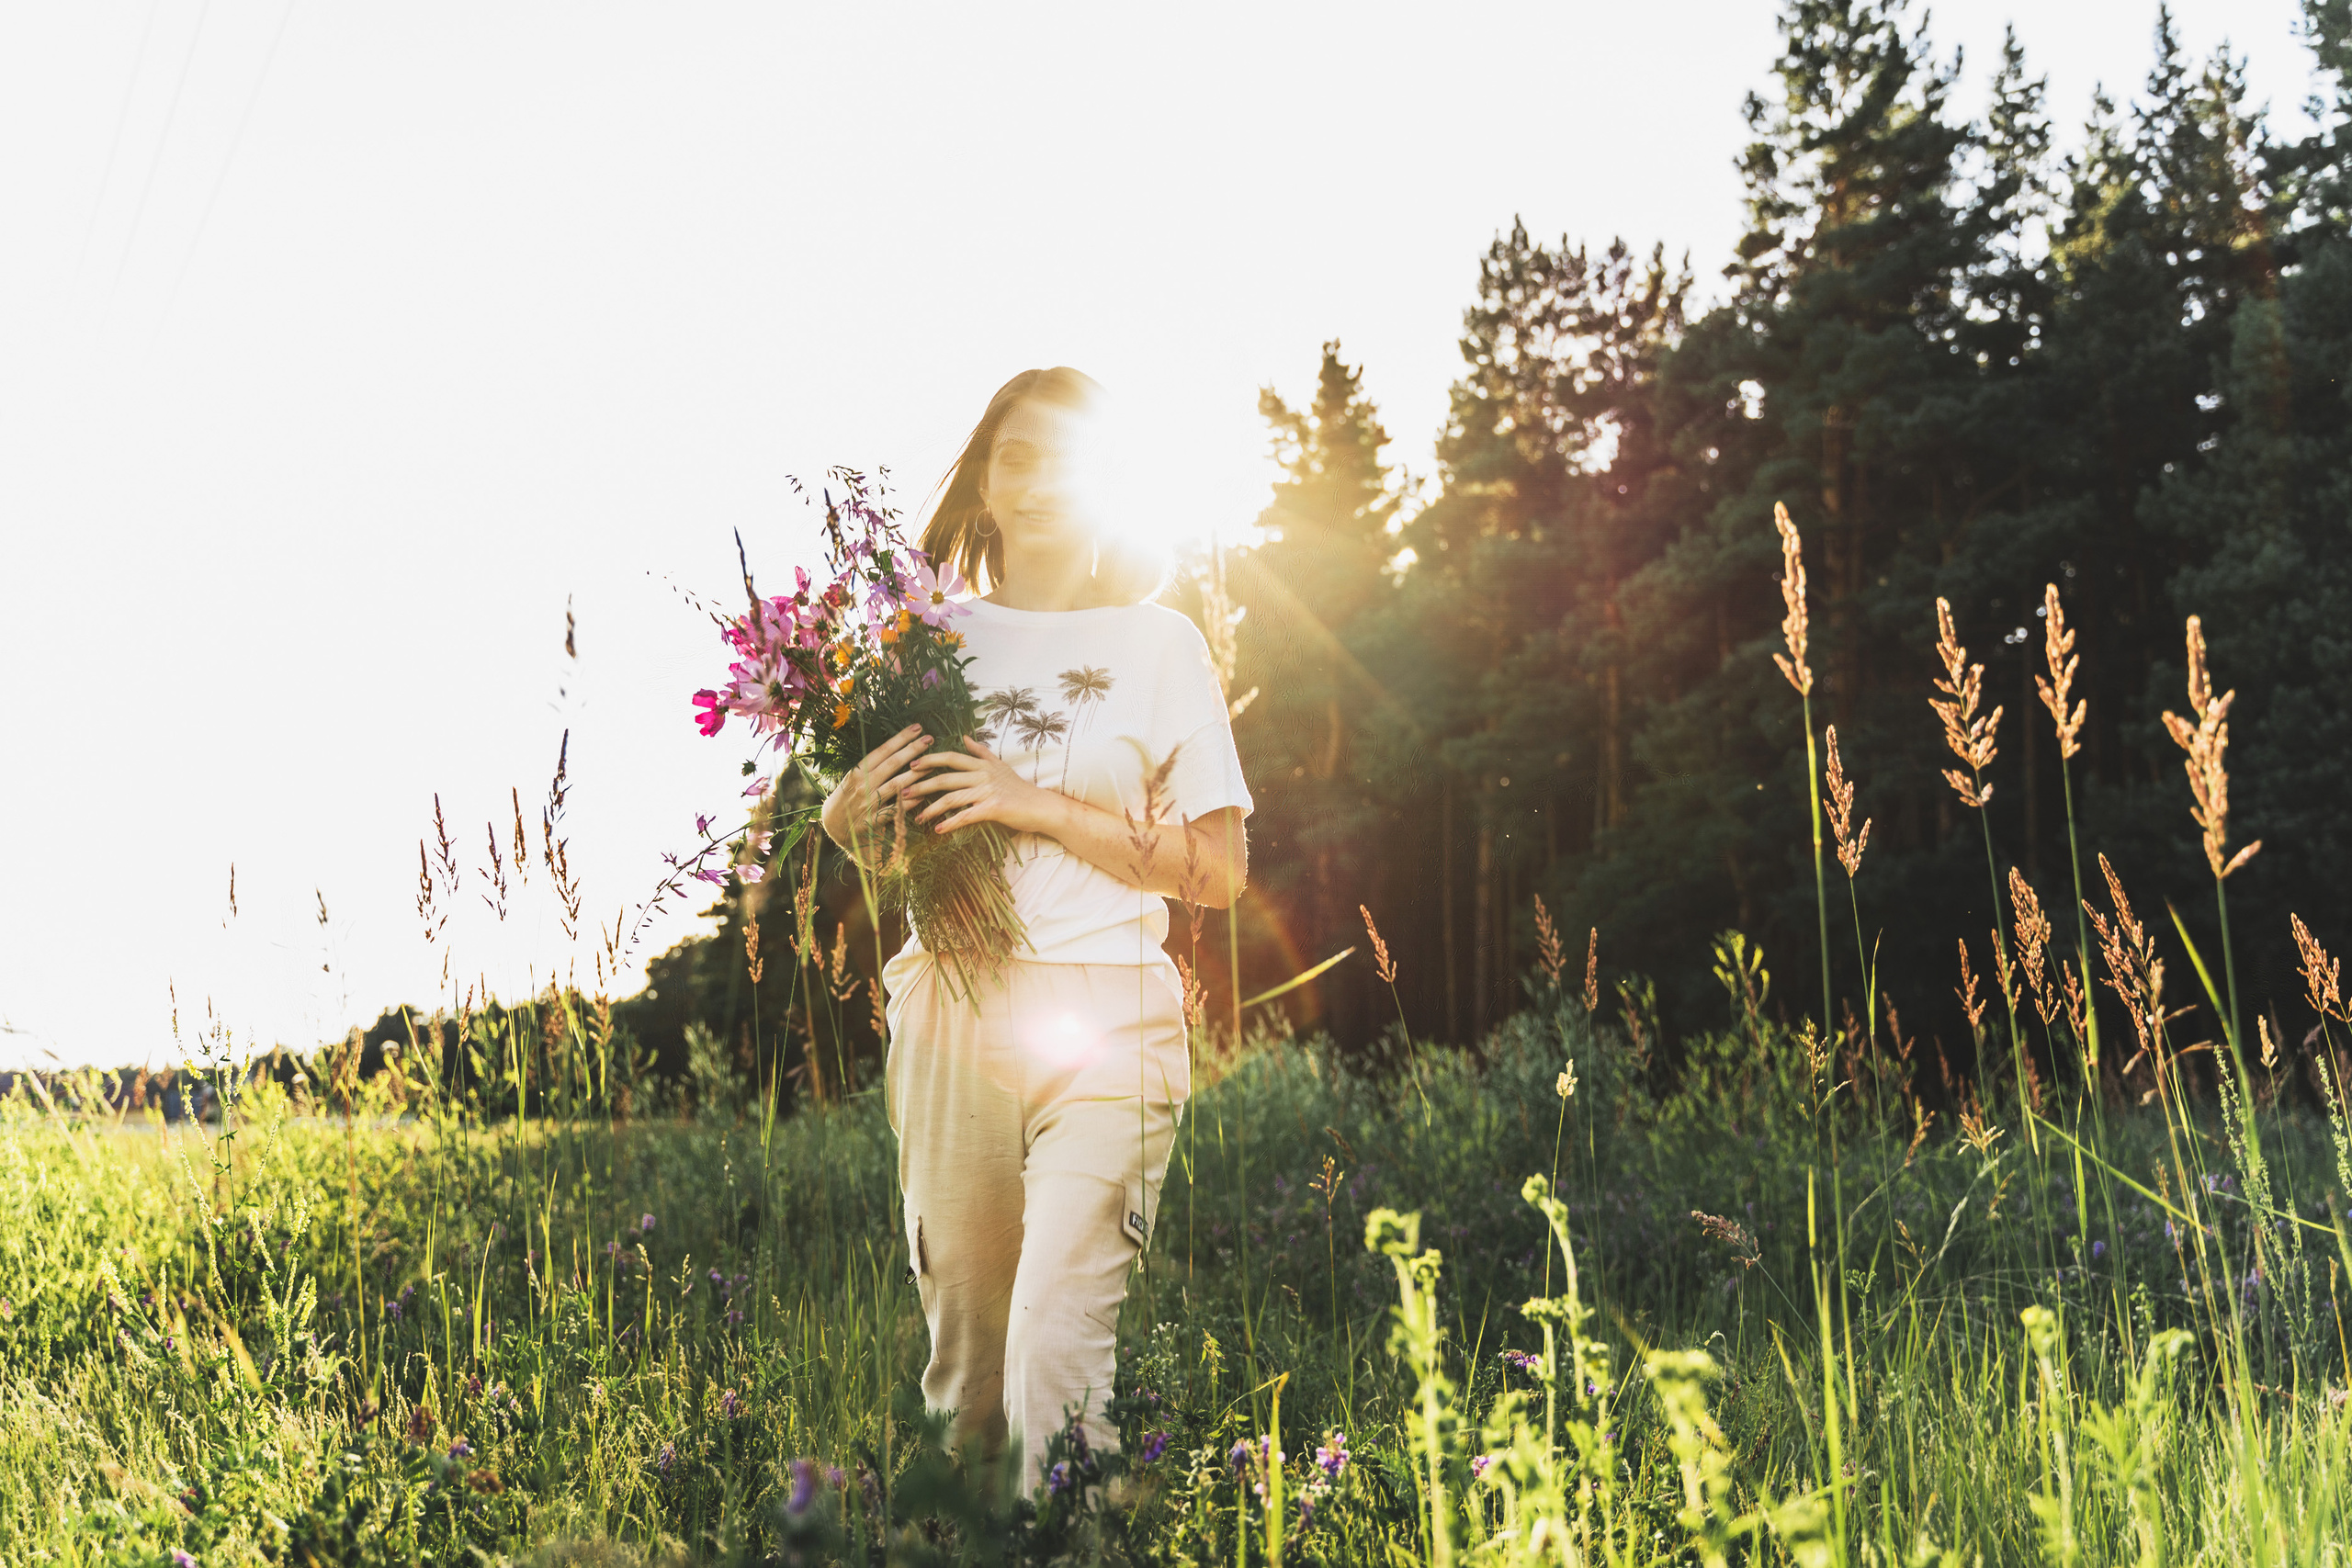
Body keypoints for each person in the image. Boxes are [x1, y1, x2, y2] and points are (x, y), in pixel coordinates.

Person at [818, 367, 1252, 1487]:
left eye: (1072, 458)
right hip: (952, 1011)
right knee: (968, 1373)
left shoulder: (1160, 646)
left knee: (1054, 1346)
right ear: (983, 482)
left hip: (1112, 1018)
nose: (1044, 480)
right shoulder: (918, 642)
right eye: (1019, 455)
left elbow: (1218, 872)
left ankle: (1072, 1546)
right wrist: (845, 824)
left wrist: (1037, 804)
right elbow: (905, 852)